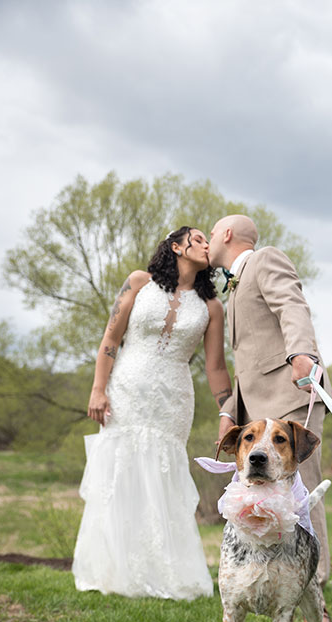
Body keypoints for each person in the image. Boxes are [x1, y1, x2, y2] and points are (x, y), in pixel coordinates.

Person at [72, 226, 232, 600]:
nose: (207, 245)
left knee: (163, 476)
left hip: (173, 398)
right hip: (127, 388)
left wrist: (228, 412)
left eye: (209, 241)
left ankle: (165, 573)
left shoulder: (212, 307)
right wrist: (98, 389)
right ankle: (112, 570)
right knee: (119, 471)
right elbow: (111, 339)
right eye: (198, 240)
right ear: (176, 247)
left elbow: (216, 368)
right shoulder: (138, 282)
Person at [208, 215, 332, 622]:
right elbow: (247, 364)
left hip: (292, 394)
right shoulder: (232, 289)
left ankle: (314, 590)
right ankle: (268, 582)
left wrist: (303, 354)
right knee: (263, 499)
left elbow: (292, 306)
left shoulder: (265, 260)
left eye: (211, 235)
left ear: (226, 234)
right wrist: (230, 410)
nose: (209, 241)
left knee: (304, 492)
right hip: (257, 408)